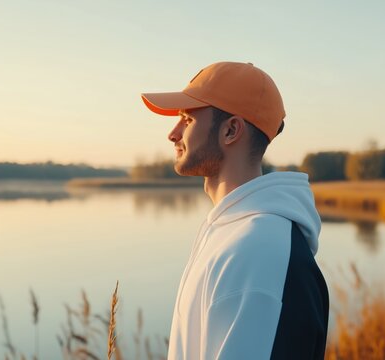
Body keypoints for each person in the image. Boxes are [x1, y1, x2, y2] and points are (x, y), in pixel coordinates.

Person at [140, 62, 329, 359]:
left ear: (231, 130)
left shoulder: (260, 248)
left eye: (187, 120)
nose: (173, 134)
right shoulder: (231, 230)